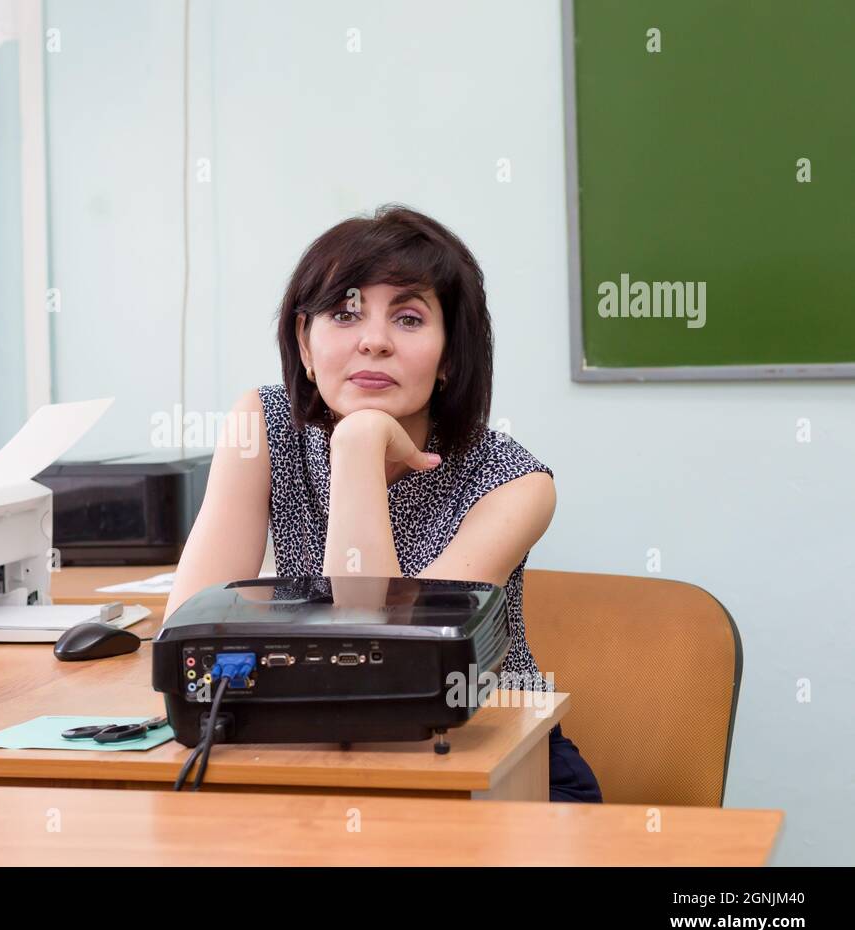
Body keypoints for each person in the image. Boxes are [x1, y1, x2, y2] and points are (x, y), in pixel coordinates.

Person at [164, 204, 602, 802]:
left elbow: (391, 668)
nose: (373, 341)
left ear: (449, 356)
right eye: (344, 313)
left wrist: (357, 447)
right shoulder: (263, 425)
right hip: (316, 755)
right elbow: (184, 636)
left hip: (497, 766)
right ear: (305, 341)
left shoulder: (515, 482)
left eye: (409, 318)